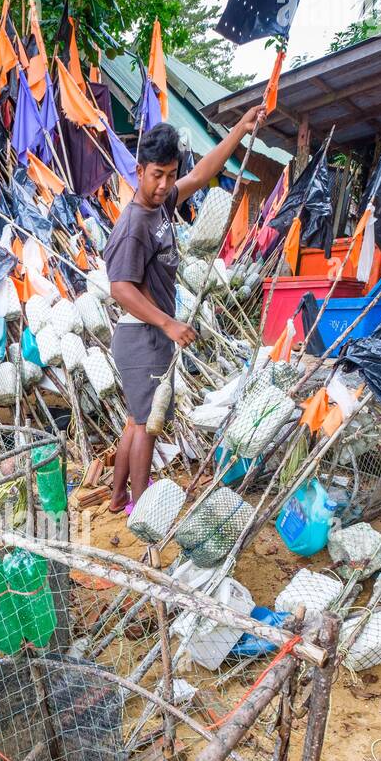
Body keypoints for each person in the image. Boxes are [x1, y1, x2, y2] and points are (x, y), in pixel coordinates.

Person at [104, 106, 266, 513]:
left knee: (134, 419)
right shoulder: (135, 225)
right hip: (140, 334)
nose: (164, 185)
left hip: (149, 334)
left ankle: (118, 495)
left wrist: (239, 132)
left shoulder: (161, 204)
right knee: (147, 425)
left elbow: (201, 174)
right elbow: (120, 288)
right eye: (156, 175)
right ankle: (143, 514)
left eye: (170, 175)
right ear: (139, 170)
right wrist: (168, 323)